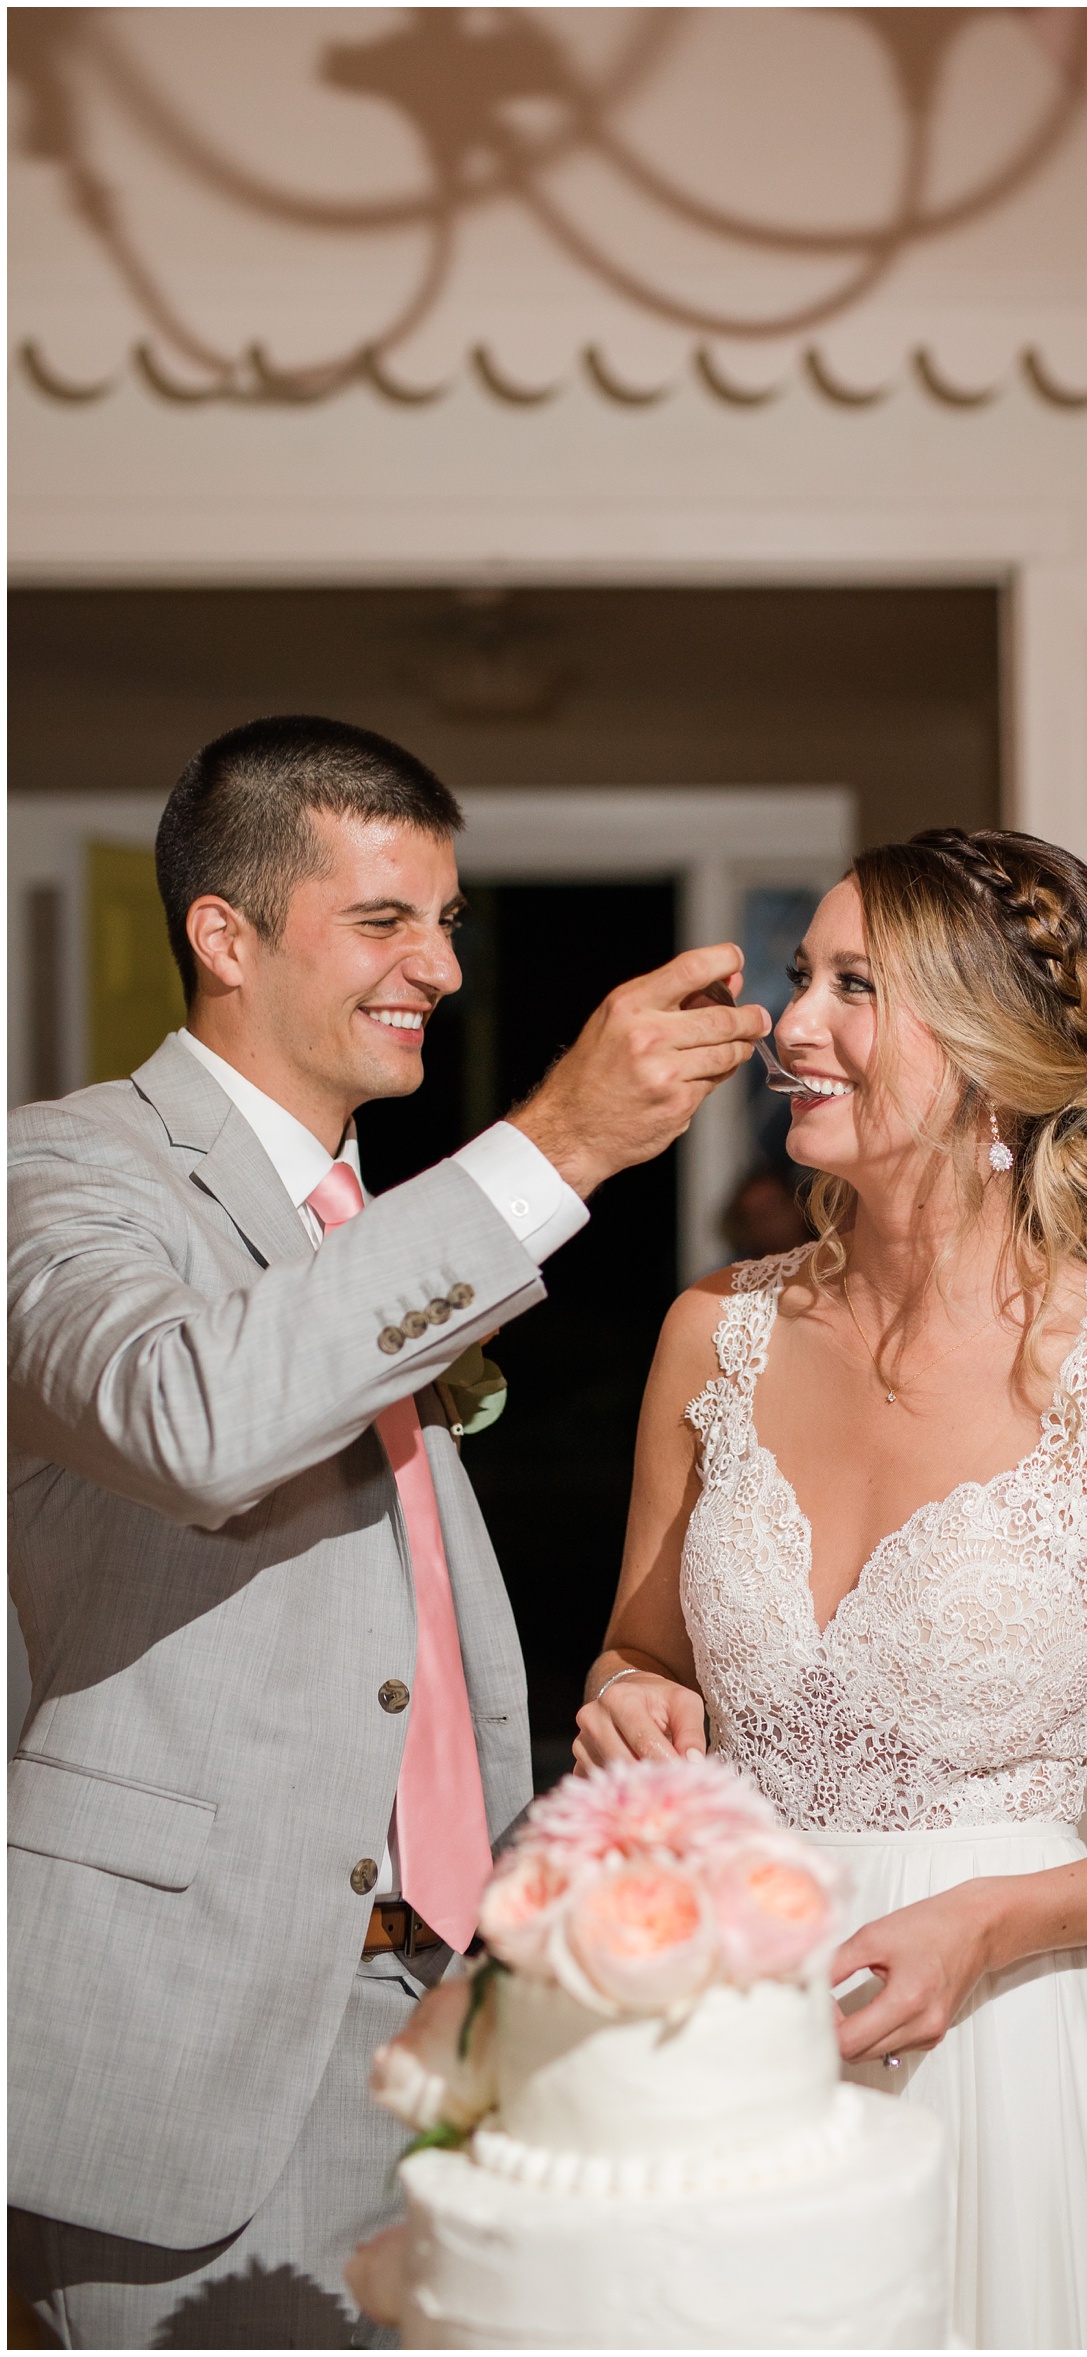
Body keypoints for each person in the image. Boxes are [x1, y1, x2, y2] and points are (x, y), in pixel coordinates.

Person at [7, 714, 768, 2351]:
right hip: (197, 2023)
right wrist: (560, 1140)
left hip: (435, 1999)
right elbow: (193, 1418)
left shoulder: (363, 1213)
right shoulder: (61, 1171)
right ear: (224, 934)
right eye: (382, 920)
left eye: (447, 923)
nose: (437, 964)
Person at [575, 827, 1087, 2350]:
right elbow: (639, 1654)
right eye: (800, 977)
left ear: (992, 1054)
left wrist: (992, 1921)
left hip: (1004, 2033)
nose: (792, 1024)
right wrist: (628, 1704)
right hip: (724, 2003)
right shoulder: (713, 1335)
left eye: (858, 987)